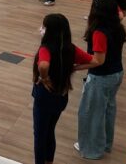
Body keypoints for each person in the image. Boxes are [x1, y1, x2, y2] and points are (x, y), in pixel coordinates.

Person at [32, 14, 98, 164]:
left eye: (44, 27)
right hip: (61, 97)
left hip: (44, 98)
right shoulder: (71, 49)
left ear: (49, 31)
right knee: (50, 131)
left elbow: (43, 65)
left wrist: (44, 77)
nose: (42, 29)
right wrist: (74, 68)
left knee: (40, 135)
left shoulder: (45, 49)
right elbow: (95, 61)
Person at [76, 0, 126, 159]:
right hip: (117, 74)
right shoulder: (117, 27)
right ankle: (105, 144)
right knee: (108, 110)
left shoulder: (99, 32)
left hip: (101, 78)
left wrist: (76, 67)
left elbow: (98, 61)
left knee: (91, 113)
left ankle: (92, 149)